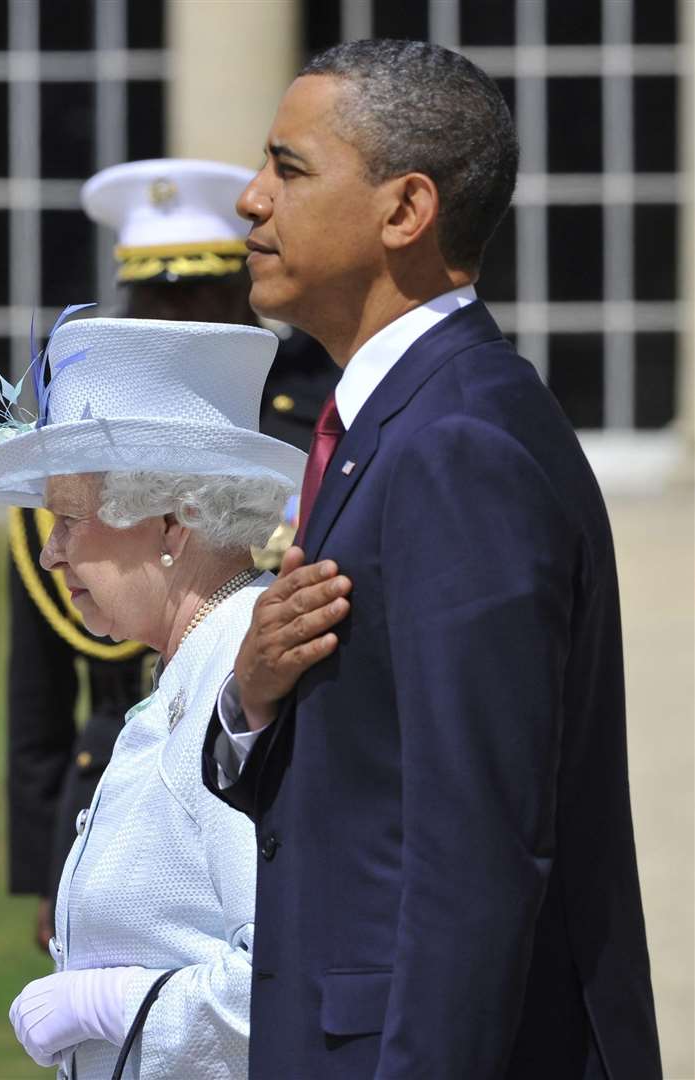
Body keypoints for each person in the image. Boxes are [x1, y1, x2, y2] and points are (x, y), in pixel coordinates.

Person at [205, 39, 661, 1077]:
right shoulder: (389, 424)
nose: (250, 199)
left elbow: (478, 854)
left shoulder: (459, 445)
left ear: (404, 211)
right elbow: (357, 786)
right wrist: (249, 703)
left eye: (289, 167)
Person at [0, 313, 306, 1076]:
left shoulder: (244, 675)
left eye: (69, 520)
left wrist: (115, 1006)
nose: (49, 553)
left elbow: (289, 977)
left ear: (171, 524)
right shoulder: (196, 661)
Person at [6, 160, 338, 952]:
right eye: (155, 300)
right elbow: (39, 697)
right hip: (116, 774)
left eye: (196, 296)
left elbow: (266, 956)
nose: (174, 316)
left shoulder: (299, 439)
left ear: (173, 524)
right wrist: (50, 870)